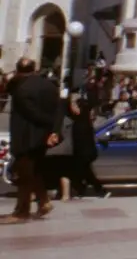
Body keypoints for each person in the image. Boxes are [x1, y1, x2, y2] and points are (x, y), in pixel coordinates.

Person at [3, 58, 62, 223]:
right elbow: (58, 109)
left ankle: (22, 211)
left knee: (24, 175)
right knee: (34, 171)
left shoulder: (21, 89)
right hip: (42, 136)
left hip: (25, 138)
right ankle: (43, 201)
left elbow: (32, 114)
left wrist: (47, 122)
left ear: (18, 70)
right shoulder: (49, 85)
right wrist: (53, 129)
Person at [67, 97, 107, 199]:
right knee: (83, 172)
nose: (73, 108)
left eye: (75, 106)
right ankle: (82, 190)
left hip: (84, 153)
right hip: (85, 152)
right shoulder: (83, 120)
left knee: (86, 172)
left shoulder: (80, 123)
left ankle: (98, 190)